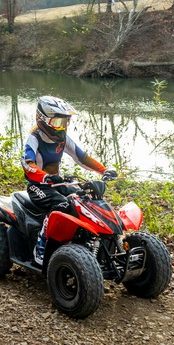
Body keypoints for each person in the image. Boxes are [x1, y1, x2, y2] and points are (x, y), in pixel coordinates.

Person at [21, 95, 117, 265]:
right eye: (59, 122)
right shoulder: (34, 139)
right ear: (43, 119)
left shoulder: (63, 139)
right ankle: (41, 246)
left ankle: (83, 240)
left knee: (84, 199)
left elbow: (83, 158)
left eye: (66, 122)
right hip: (38, 186)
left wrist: (104, 170)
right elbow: (27, 164)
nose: (63, 126)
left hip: (57, 183)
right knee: (62, 205)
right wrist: (45, 176)